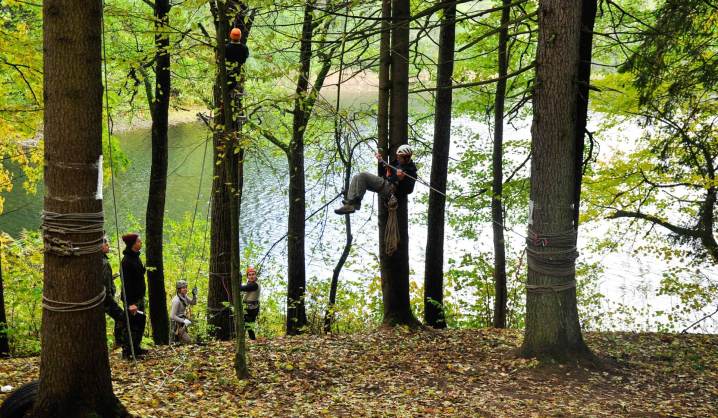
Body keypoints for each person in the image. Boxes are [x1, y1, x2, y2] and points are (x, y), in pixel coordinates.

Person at [334, 144, 417, 214]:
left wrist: (401, 179)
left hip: (392, 190)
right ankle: (352, 203)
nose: (398, 159)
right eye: (397, 157)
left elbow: (408, 190)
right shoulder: (396, 163)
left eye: (400, 158)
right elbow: (383, 174)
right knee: (357, 176)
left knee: (363, 175)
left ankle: (354, 203)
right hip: (385, 183)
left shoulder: (411, 171)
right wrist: (381, 162)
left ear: (407, 159)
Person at [120, 233, 148, 359]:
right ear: (132, 245)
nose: (141, 242)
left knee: (140, 322)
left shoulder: (136, 257)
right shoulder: (126, 261)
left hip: (139, 296)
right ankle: (127, 351)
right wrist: (130, 303)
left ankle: (136, 347)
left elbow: (137, 275)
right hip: (132, 299)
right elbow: (126, 283)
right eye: (138, 241)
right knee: (131, 324)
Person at [101, 237, 125, 349]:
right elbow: (105, 283)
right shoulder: (104, 262)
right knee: (121, 316)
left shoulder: (100, 260)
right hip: (106, 298)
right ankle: (119, 342)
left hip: (104, 297)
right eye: (106, 244)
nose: (108, 246)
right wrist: (110, 298)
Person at [225, 27, 249, 93]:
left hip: (228, 73)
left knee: (228, 91)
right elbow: (246, 56)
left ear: (230, 36)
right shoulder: (244, 48)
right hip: (240, 72)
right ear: (240, 37)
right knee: (239, 92)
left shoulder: (226, 48)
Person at [240, 268, 261, 340]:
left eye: (253, 274)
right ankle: (252, 339)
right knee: (249, 326)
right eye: (249, 275)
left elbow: (240, 288)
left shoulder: (254, 285)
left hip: (251, 309)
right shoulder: (254, 284)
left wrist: (238, 279)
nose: (251, 276)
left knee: (248, 325)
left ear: (256, 275)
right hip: (253, 307)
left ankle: (252, 339)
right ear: (247, 276)